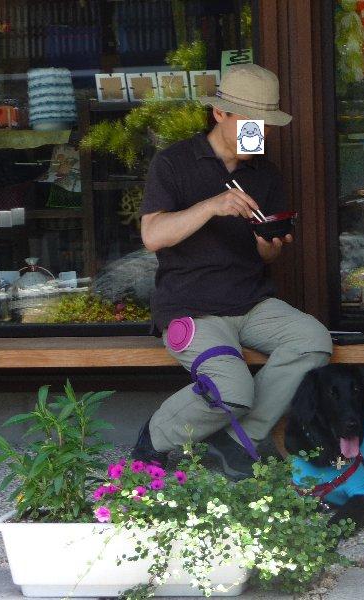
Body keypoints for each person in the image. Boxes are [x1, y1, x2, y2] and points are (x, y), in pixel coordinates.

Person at [131, 64, 332, 479]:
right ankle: (155, 438)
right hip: (191, 306)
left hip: (251, 302)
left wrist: (268, 244)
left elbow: (267, 257)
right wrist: (212, 206)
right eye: (250, 123)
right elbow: (152, 236)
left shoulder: (264, 173)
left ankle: (236, 440)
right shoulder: (174, 162)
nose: (258, 133)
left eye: (264, 125)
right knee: (232, 388)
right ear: (219, 113)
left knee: (313, 340)